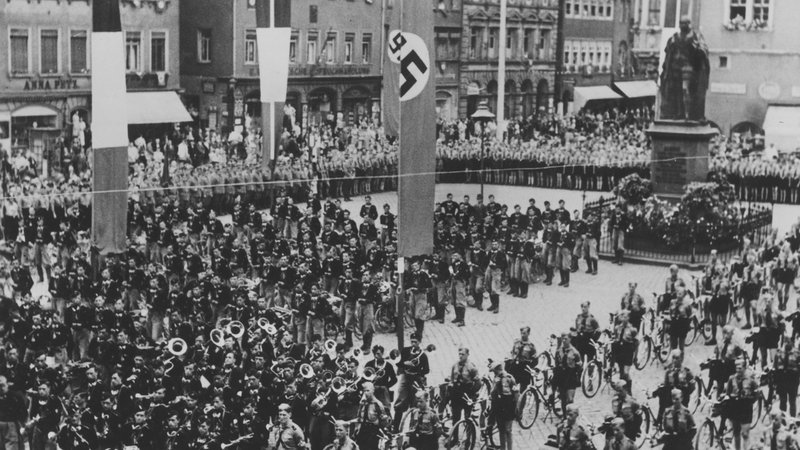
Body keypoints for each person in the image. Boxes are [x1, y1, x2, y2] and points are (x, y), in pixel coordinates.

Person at [393, 333, 429, 431]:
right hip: (406, 378)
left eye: (415, 342)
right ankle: (395, 428)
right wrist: (405, 363)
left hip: (416, 380)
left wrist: (417, 371)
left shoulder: (423, 355)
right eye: (412, 341)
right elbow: (398, 363)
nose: (413, 344)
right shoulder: (405, 351)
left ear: (419, 342)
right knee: (400, 402)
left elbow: (426, 370)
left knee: (416, 404)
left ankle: (412, 429)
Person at [724, 357, 759, 450]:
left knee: (745, 434)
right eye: (736, 368)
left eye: (740, 368)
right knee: (736, 433)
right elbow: (727, 392)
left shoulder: (750, 379)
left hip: (746, 408)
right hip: (735, 408)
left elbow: (756, 393)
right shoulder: (731, 379)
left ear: (744, 368)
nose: (738, 370)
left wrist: (749, 401)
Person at [448, 347, 480, 441]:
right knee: (455, 417)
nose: (460, 356)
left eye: (463, 354)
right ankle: (455, 438)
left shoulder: (471, 367)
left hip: (467, 394)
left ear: (467, 355)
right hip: (456, 393)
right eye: (459, 354)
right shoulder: (455, 365)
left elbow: (478, 383)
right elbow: (451, 379)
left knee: (467, 418)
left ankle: (468, 440)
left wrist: (472, 394)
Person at [488, 360, 517, 450]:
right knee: (502, 430)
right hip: (499, 408)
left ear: (498, 370)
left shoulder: (506, 379)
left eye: (495, 372)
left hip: (507, 408)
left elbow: (509, 396)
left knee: (507, 430)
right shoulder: (497, 379)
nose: (494, 374)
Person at [553, 331, 582, 416]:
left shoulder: (575, 352)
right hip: (562, 377)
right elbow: (556, 363)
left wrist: (578, 378)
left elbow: (580, 366)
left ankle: (571, 416)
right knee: (563, 398)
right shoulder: (559, 351)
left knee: (570, 399)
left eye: (566, 339)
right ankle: (565, 416)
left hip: (571, 377)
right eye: (562, 339)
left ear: (570, 339)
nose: (564, 341)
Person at [352, 382, 387, 450]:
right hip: (363, 430)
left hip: (373, 432)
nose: (366, 393)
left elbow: (383, 421)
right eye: (364, 391)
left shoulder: (377, 404)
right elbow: (359, 417)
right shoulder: (363, 403)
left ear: (373, 391)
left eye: (368, 390)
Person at [0, 375, 27, 450]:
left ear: (7, 384)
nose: (1, 388)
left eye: (2, 385)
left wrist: (21, 425)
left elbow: (23, 413)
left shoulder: (15, 396)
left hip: (11, 425)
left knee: (12, 446)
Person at [507, 326, 537, 392]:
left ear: (528, 333)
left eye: (524, 333)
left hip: (524, 368)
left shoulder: (531, 346)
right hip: (515, 366)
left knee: (523, 389)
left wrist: (531, 368)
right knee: (510, 385)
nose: (522, 335)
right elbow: (512, 352)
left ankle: (522, 398)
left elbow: (535, 360)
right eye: (521, 333)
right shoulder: (516, 342)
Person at [485, 240, 507, 313]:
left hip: (496, 271)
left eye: (495, 244)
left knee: (495, 289)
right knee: (488, 287)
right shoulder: (490, 252)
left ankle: (497, 307)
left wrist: (496, 265)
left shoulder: (501, 254)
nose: (494, 246)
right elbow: (486, 261)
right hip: (489, 270)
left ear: (498, 245)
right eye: (493, 244)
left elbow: (504, 264)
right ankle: (493, 304)